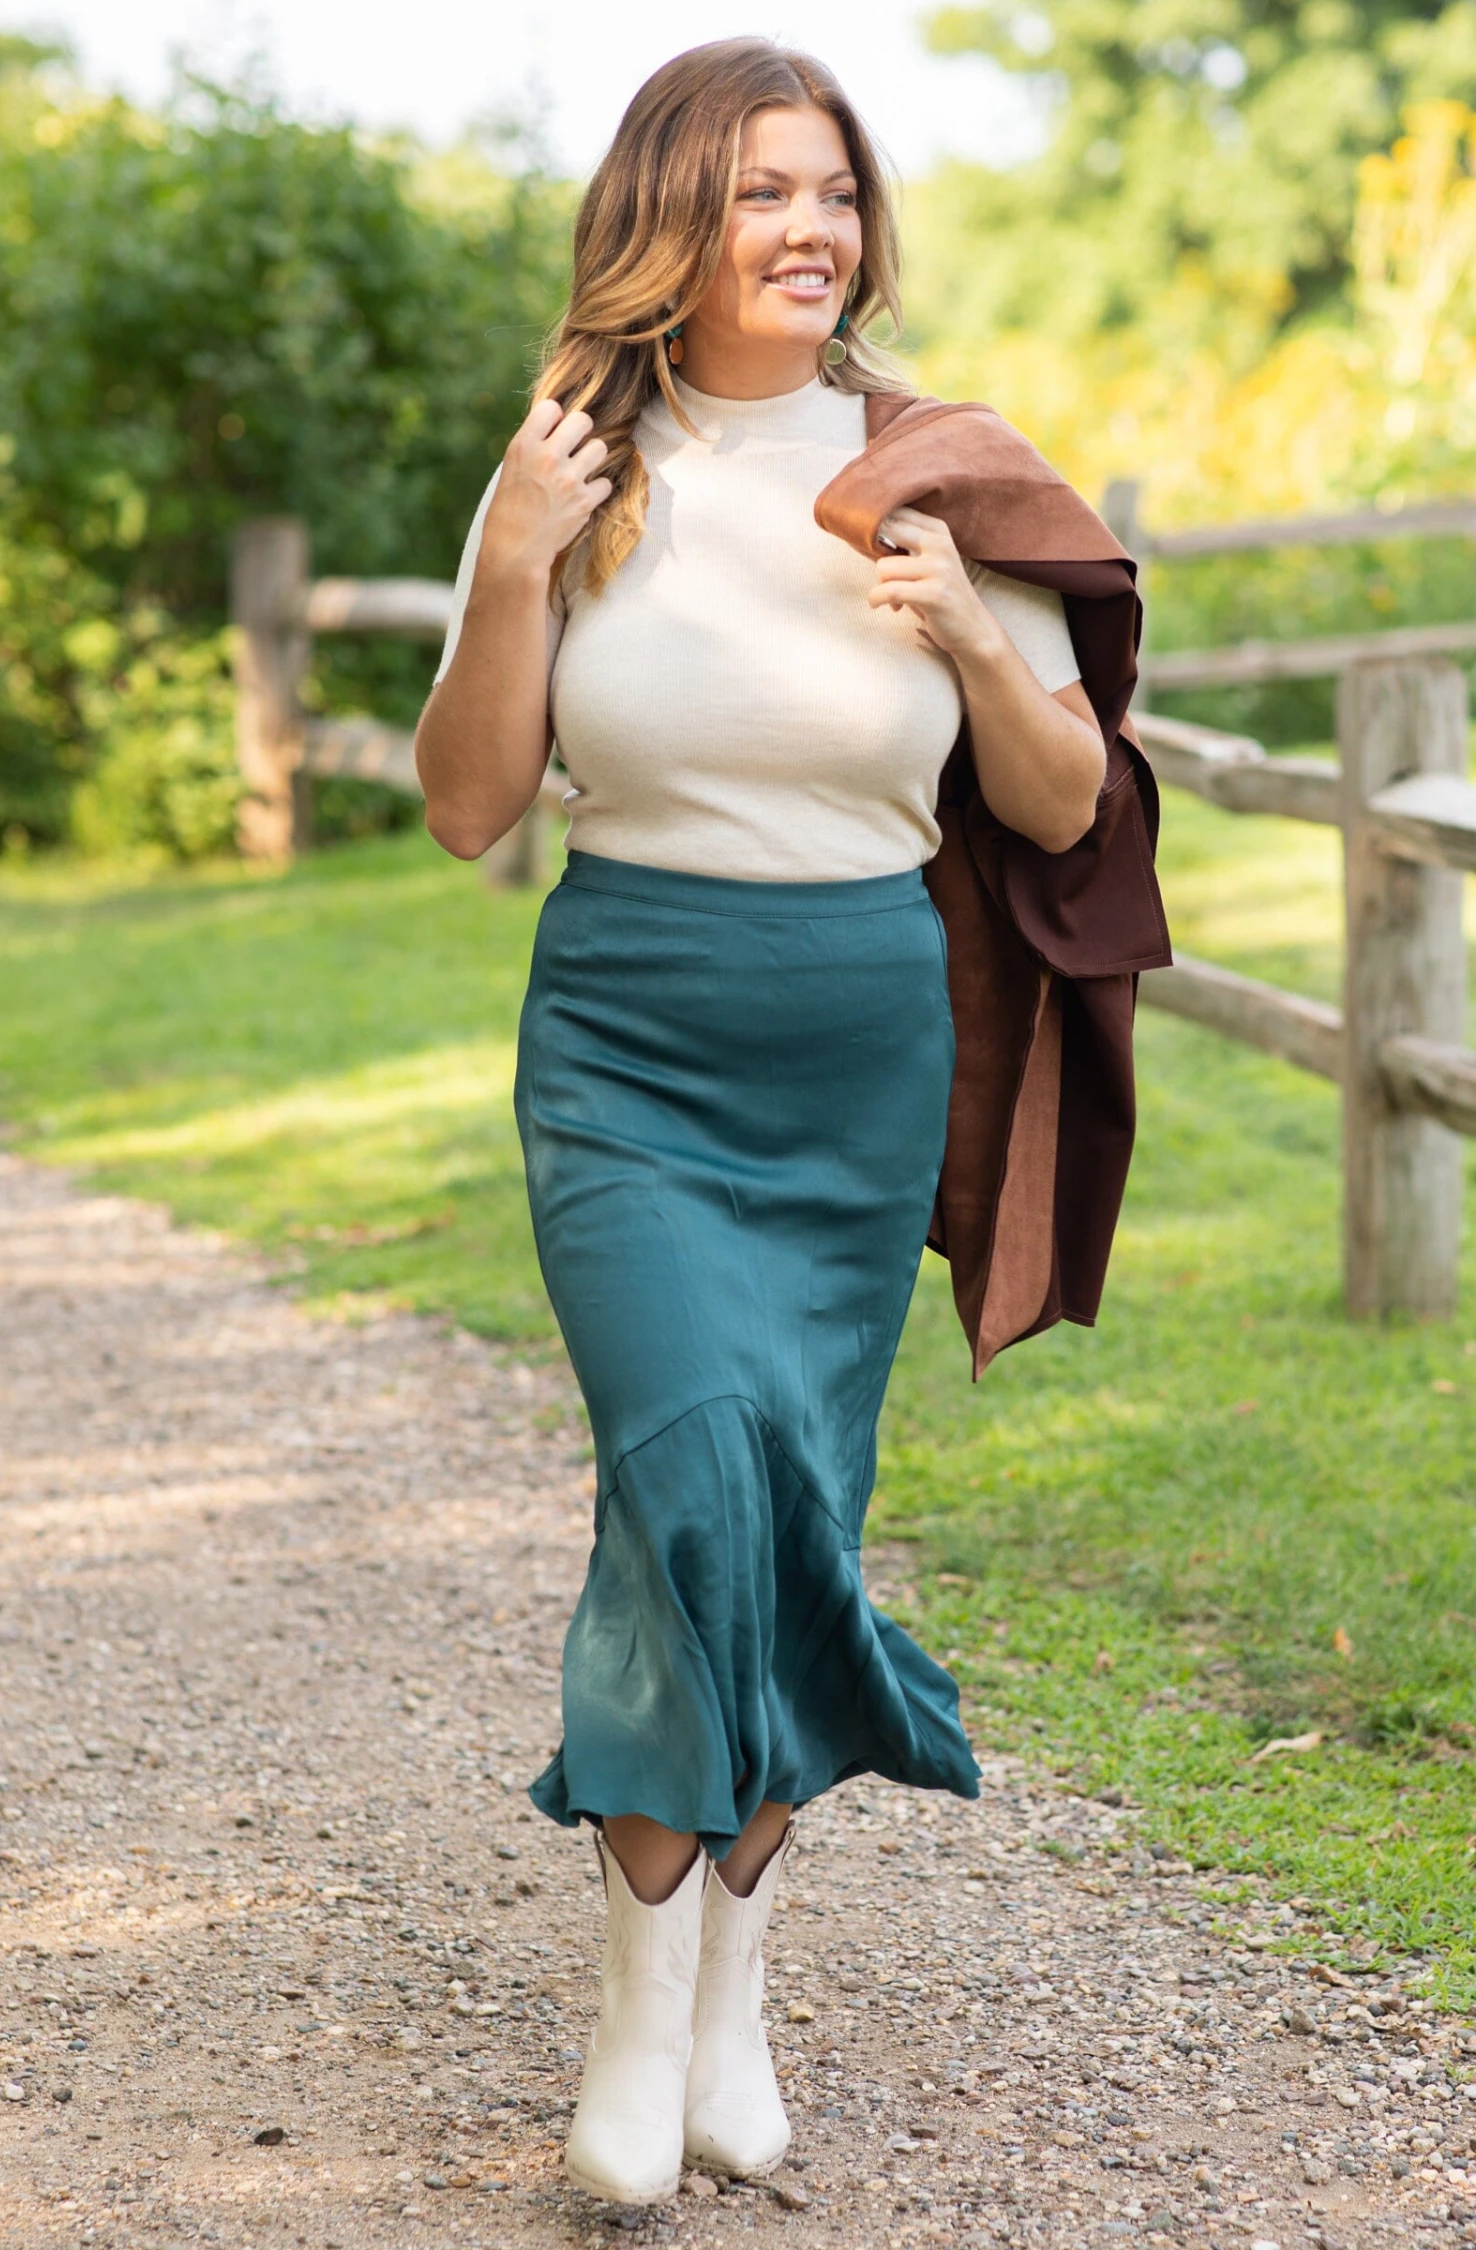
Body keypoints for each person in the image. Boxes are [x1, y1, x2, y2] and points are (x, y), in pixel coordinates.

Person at [414, 38, 1118, 2208]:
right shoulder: (570, 465)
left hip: (855, 1058)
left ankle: (728, 1997)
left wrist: (972, 638)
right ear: (670, 220)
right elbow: (465, 808)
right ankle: (640, 2026)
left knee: (793, 1503)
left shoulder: (936, 467)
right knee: (695, 1479)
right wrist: (513, 568)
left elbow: (1065, 805)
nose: (810, 229)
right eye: (758, 193)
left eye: (832, 190)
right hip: (627, 1047)